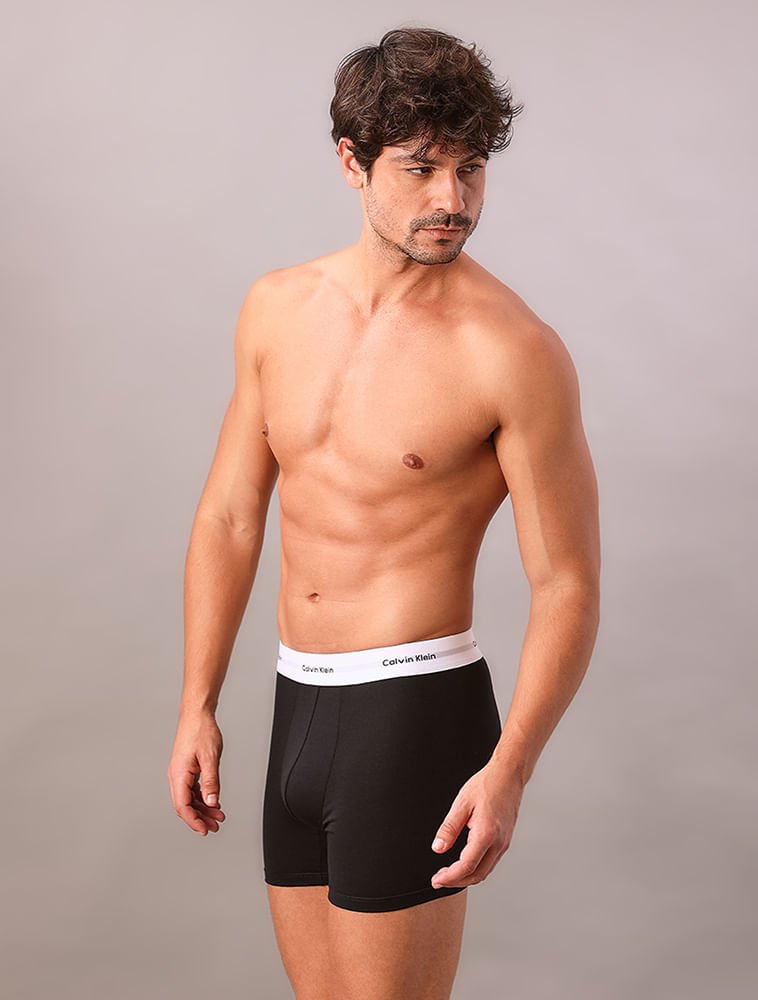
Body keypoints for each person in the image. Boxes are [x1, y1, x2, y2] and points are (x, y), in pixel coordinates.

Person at [167, 25, 601, 1000]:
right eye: (420, 168)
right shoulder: (276, 309)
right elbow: (230, 515)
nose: (453, 199)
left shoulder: (512, 351)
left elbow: (566, 583)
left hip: (415, 713)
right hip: (296, 703)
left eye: (471, 168)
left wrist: (511, 767)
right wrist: (197, 701)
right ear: (351, 163)